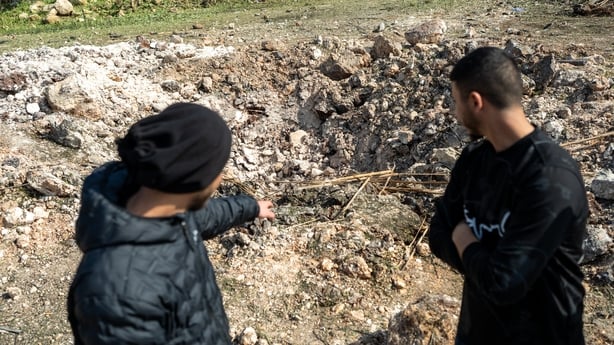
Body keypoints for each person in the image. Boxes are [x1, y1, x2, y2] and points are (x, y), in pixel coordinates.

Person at [67, 102, 275, 345]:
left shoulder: (164, 202)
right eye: (219, 168)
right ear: (197, 182)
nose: (220, 177)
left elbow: (208, 216)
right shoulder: (115, 293)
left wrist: (251, 207)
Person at [428, 47, 588, 345]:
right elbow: (437, 235)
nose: (454, 112)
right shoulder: (474, 159)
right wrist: (487, 263)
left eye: (455, 102)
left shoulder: (550, 178)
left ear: (475, 102)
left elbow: (503, 284)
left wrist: (464, 238)